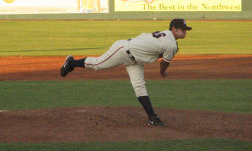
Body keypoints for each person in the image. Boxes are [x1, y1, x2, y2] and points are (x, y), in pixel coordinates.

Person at [60, 19, 192, 127]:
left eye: (186, 29)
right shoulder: (170, 44)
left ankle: (153, 118)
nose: (185, 32)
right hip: (123, 51)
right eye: (183, 29)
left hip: (135, 59)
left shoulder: (165, 36)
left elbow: (147, 43)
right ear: (174, 29)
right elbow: (164, 63)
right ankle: (71, 63)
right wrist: (162, 72)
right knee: (98, 64)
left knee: (139, 87)